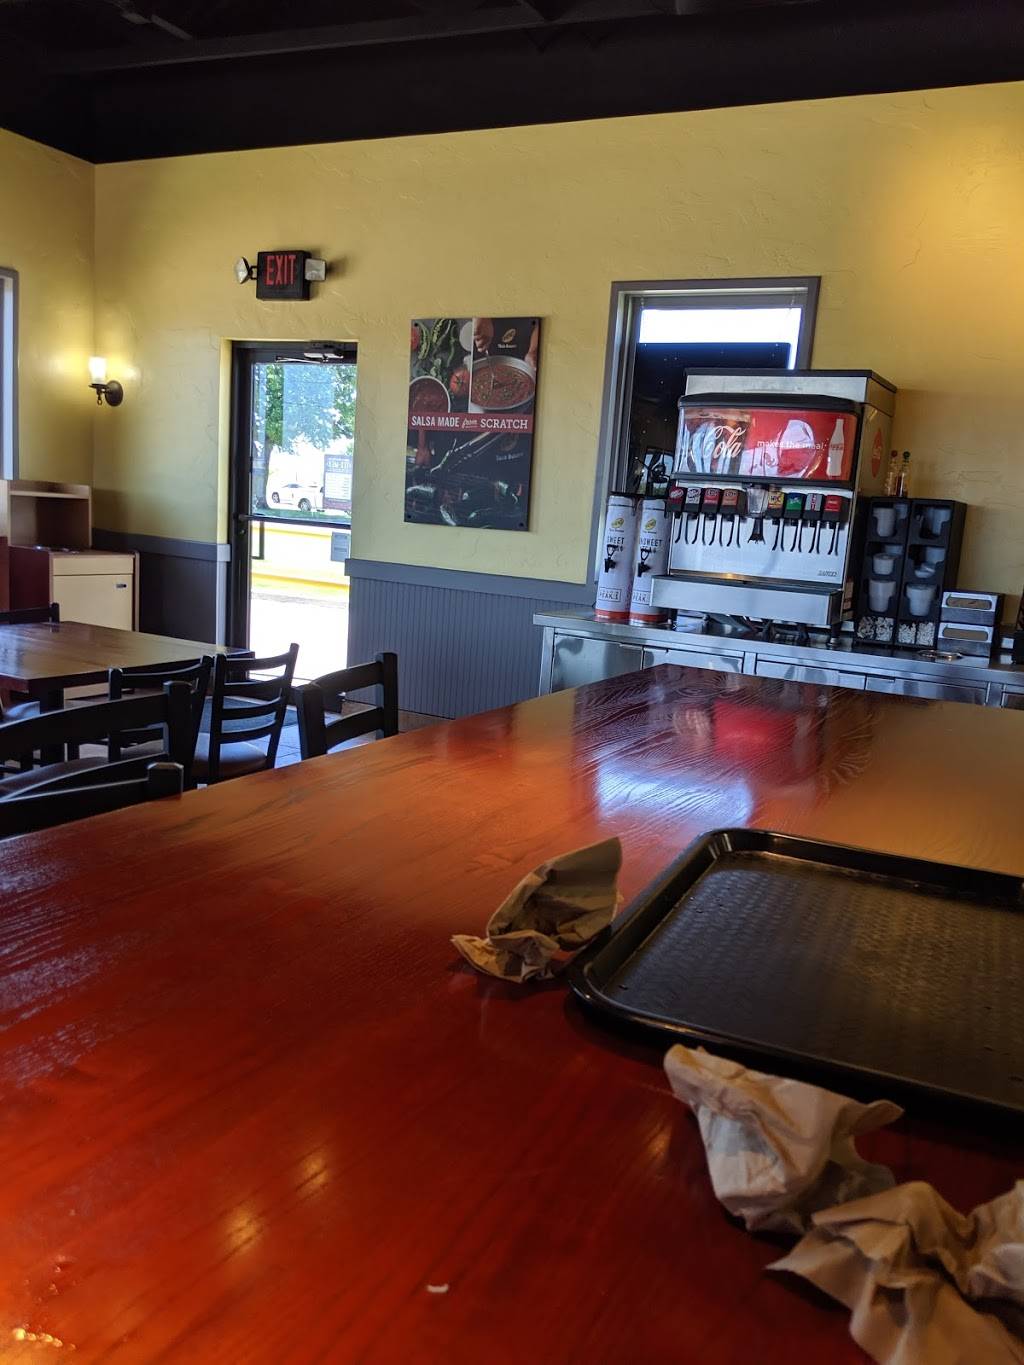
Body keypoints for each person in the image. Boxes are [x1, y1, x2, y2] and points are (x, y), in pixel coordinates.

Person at [472, 317, 539, 371]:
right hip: (482, 353)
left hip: (524, 354)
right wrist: (480, 316)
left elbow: (539, 320)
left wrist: (533, 350)